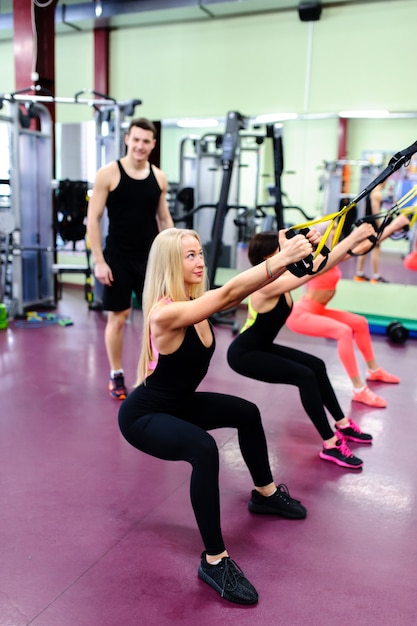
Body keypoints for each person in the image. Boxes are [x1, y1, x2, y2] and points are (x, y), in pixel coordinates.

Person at [118, 227, 314, 605]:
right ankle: (214, 560)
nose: (199, 261)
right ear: (171, 263)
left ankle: (265, 494)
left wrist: (306, 252)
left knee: (246, 412)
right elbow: (229, 293)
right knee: (204, 450)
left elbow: (234, 292)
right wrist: (280, 258)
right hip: (144, 415)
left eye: (199, 253)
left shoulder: (196, 301)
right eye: (188, 255)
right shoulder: (166, 313)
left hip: (177, 403)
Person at [227, 223, 376, 470]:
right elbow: (316, 271)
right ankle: (330, 445)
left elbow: (322, 261)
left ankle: (343, 424)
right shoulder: (266, 286)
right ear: (268, 258)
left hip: (262, 347)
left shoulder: (283, 276)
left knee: (316, 366)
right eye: (282, 248)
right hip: (244, 354)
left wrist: (326, 241)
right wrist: (352, 238)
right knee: (304, 376)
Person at [87, 117, 174, 400]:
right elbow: (93, 219)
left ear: (153, 144)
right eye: (135, 139)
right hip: (118, 257)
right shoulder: (108, 174)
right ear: (127, 139)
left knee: (156, 318)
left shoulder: (159, 177)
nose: (140, 145)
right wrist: (99, 261)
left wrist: (176, 253)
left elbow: (163, 218)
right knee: (119, 317)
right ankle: (116, 374)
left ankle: (151, 373)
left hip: (150, 259)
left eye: (146, 141)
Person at [286, 213, 409, 408]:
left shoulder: (331, 253)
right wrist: (363, 235)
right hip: (302, 314)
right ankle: (359, 389)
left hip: (318, 310)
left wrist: (393, 226)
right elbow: (354, 246)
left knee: (359, 322)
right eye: (332, 230)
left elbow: (362, 247)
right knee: (343, 331)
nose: (336, 232)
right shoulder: (315, 259)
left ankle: (373, 369)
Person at [354, 181, 388, 283]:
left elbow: (366, 211)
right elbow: (375, 213)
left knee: (364, 248)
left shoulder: (371, 191)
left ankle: (359, 274)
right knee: (376, 249)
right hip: (373, 225)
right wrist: (381, 227)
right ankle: (376, 276)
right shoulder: (377, 194)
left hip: (367, 223)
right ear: (384, 181)